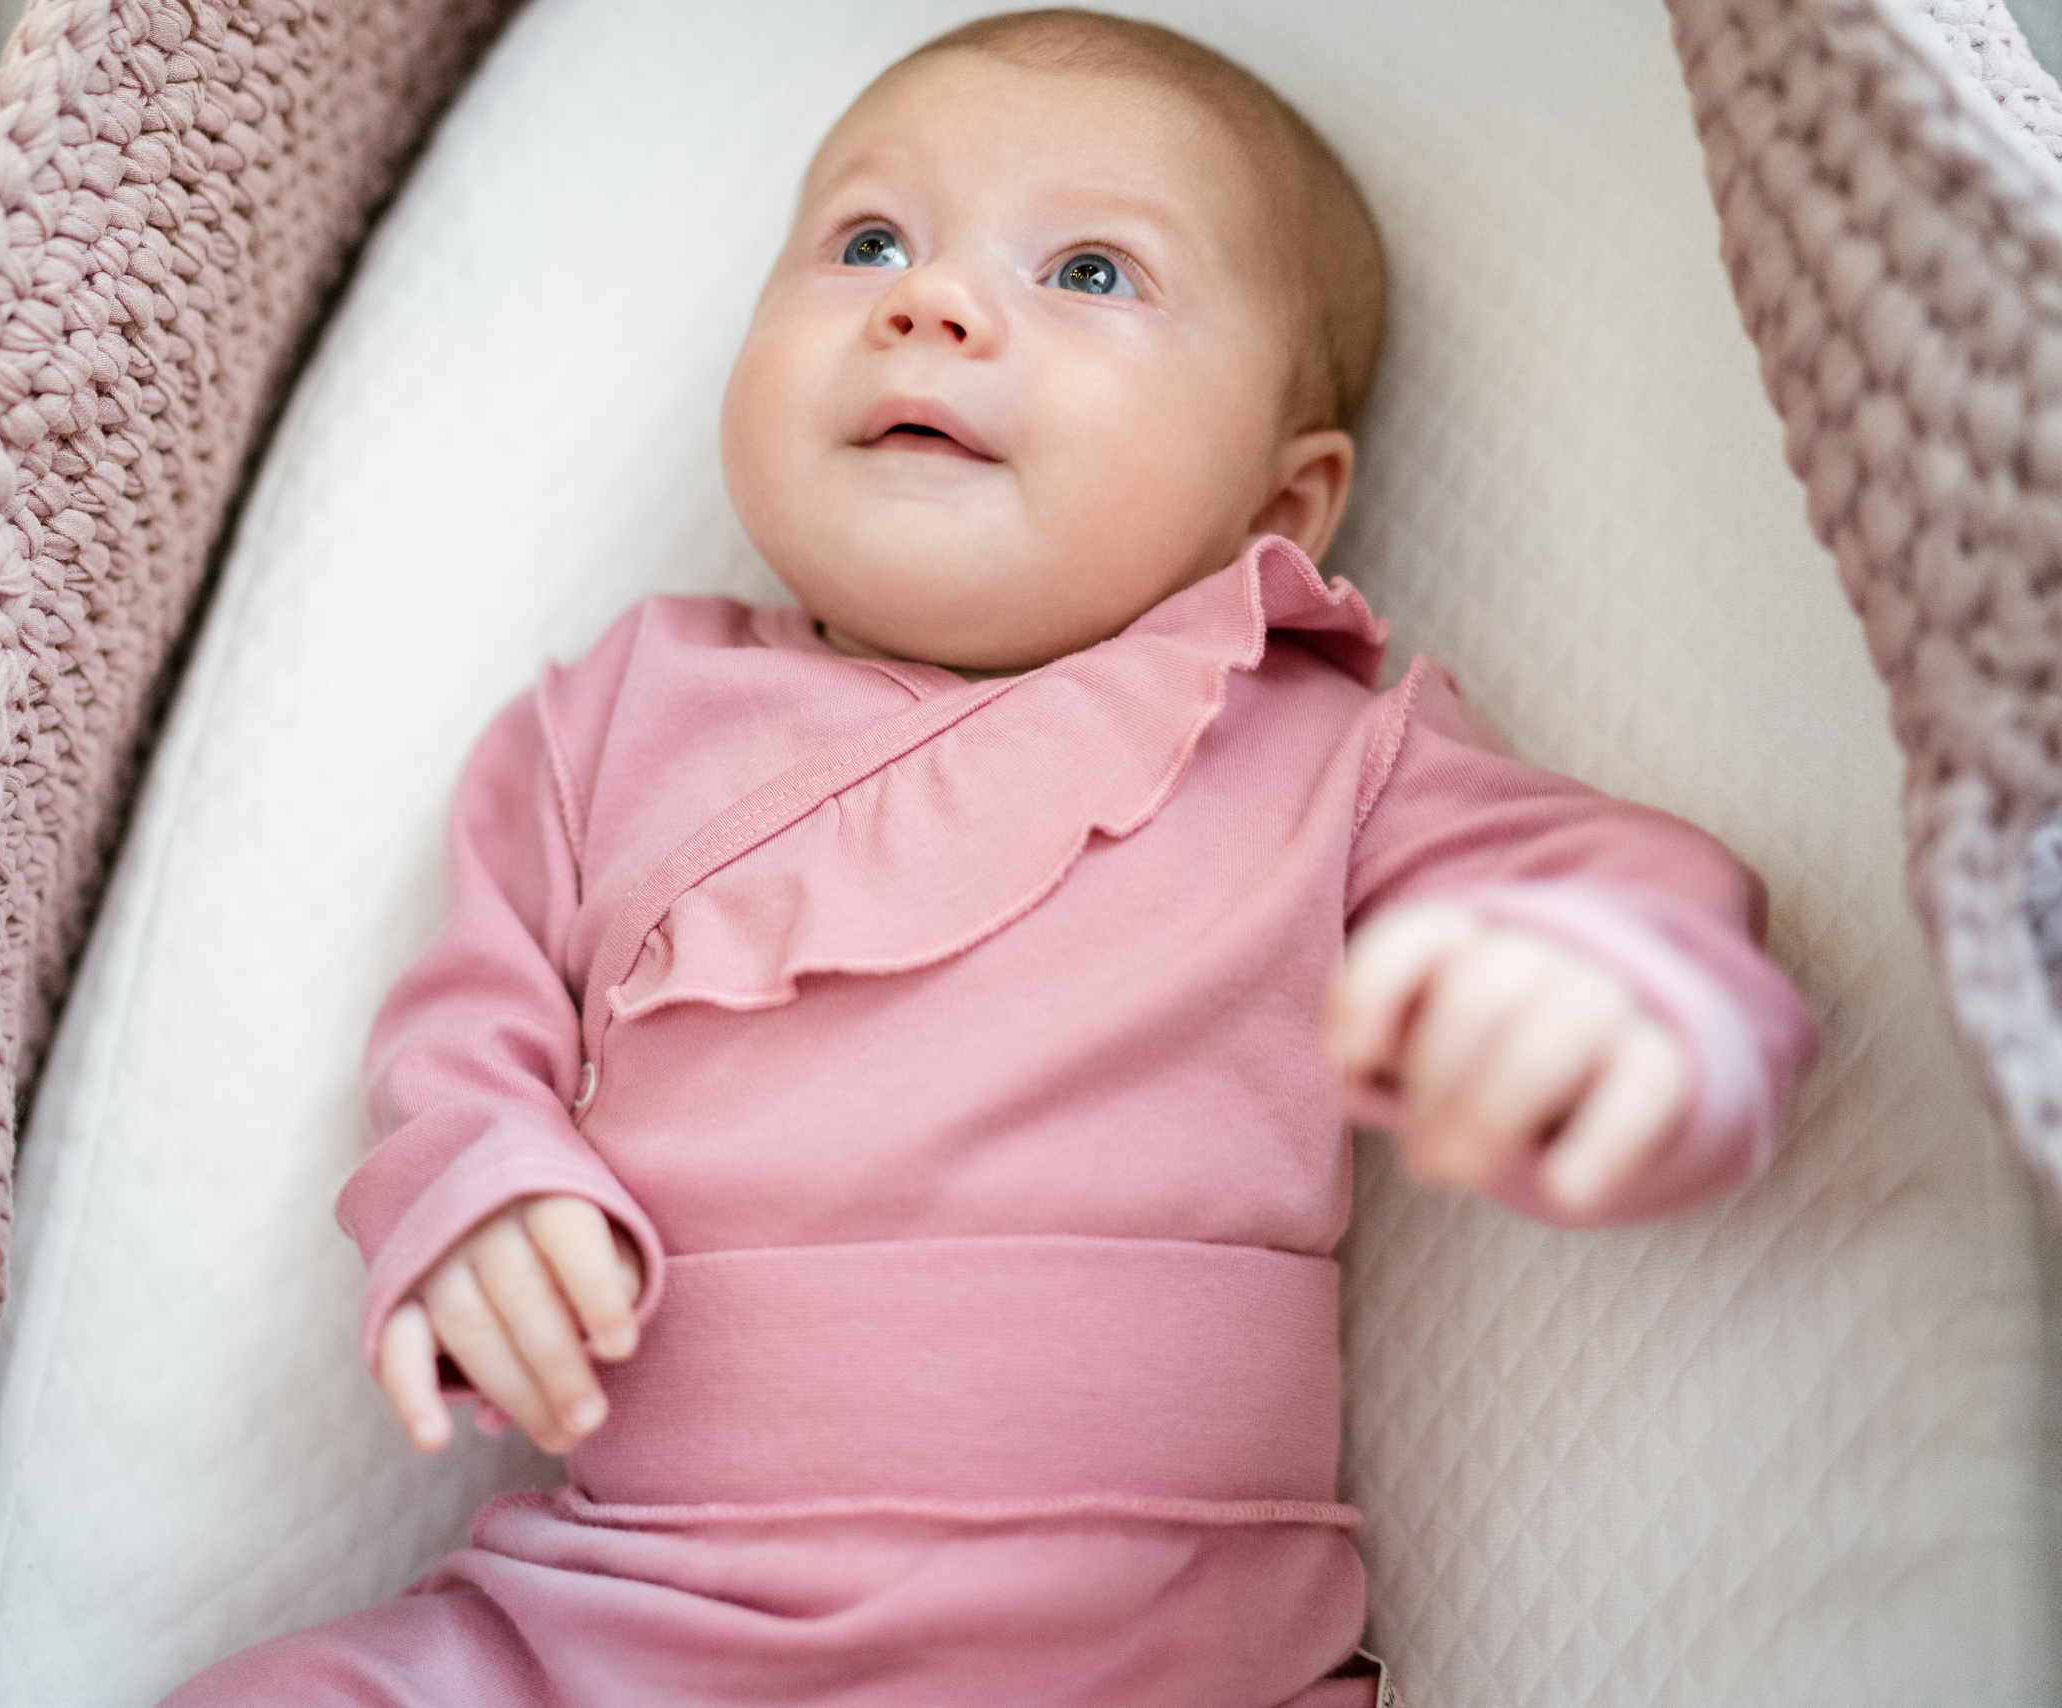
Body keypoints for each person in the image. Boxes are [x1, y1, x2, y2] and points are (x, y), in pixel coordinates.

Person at [164, 10, 1816, 1705]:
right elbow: (462, 1033)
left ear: (1285, 505)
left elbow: (1624, 888)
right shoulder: (615, 718)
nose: (929, 301)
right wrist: (479, 1191)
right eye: (868, 240)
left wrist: (1603, 994)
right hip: (625, 1623)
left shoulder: (1316, 750)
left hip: (1158, 1665)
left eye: (1093, 272)